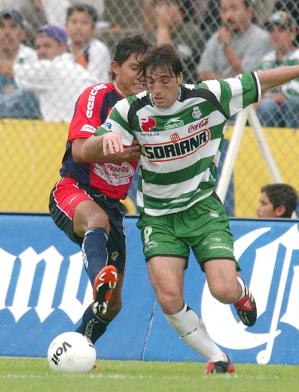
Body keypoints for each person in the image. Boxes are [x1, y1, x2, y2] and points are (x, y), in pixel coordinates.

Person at [83, 43, 299, 373]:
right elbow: (88, 147)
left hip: (202, 209)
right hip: (159, 217)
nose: (157, 90)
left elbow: (260, 79)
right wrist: (103, 143)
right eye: (150, 81)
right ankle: (217, 357)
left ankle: (240, 293)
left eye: (165, 81)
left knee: (222, 289)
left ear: (180, 78)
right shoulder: (129, 110)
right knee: (168, 297)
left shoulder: (210, 96)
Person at [48, 34, 151, 345]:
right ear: (115, 68)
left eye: (147, 70)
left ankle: (76, 346)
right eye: (136, 68)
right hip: (74, 189)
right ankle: (99, 278)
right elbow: (79, 151)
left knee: (112, 305)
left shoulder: (149, 109)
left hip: (113, 205)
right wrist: (116, 150)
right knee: (98, 220)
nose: (142, 77)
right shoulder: (97, 96)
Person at [13, 24, 97, 122]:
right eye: (38, 47)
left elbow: (13, 71)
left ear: (64, 47)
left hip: (61, 130)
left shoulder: (51, 68)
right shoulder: (81, 71)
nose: (41, 51)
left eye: (47, 46)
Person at [256, 11, 299, 127]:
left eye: (281, 30)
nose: (275, 35)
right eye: (271, 30)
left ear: (293, 32)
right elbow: (257, 87)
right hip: (267, 103)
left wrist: (264, 100)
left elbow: (293, 93)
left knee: (267, 107)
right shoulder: (266, 59)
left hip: (290, 108)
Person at [197, 0, 272, 80]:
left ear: (249, 12)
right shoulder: (217, 37)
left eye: (234, 9)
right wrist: (231, 79)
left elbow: (247, 81)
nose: (228, 16)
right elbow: (203, 75)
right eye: (224, 10)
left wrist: (226, 46)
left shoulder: (260, 38)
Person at [147, 0, 204, 83]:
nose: (163, 9)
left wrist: (163, 27)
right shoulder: (153, 34)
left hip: (185, 88)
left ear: (181, 7)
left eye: (168, 4)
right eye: (159, 4)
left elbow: (167, 65)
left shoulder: (192, 31)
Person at [0, 9, 40, 118]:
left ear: (22, 34)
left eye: (13, 27)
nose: (7, 32)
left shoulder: (34, 58)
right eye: (2, 27)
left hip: (30, 123)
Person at [65, 3, 111, 82]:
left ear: (93, 28)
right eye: (74, 22)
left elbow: (92, 80)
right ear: (66, 26)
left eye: (84, 23)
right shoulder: (63, 47)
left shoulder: (99, 49)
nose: (78, 27)